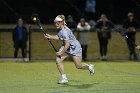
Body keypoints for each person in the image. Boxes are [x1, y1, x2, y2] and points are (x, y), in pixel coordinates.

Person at [44, 15, 94, 84]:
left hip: (75, 47)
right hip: (67, 46)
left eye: (58, 22)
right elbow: (59, 37)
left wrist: (61, 53)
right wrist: (50, 36)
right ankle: (64, 78)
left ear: (62, 22)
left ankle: (89, 67)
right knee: (58, 60)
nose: (56, 24)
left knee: (78, 66)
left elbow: (67, 44)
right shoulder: (62, 29)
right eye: (55, 22)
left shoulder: (64, 31)